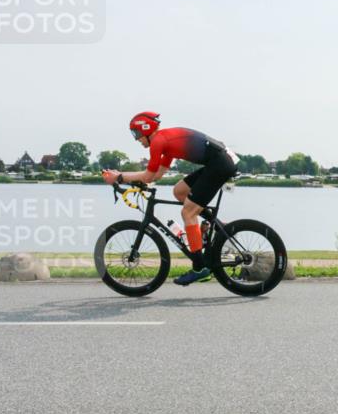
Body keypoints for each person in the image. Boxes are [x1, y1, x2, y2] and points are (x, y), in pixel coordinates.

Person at [102, 111, 238, 286]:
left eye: (136, 134)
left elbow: (149, 176)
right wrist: (132, 179)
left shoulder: (159, 141)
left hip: (220, 164)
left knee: (188, 213)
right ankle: (217, 224)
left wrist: (119, 177)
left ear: (145, 128)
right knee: (179, 191)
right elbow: (157, 175)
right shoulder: (165, 142)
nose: (136, 139)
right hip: (218, 162)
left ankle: (199, 268)